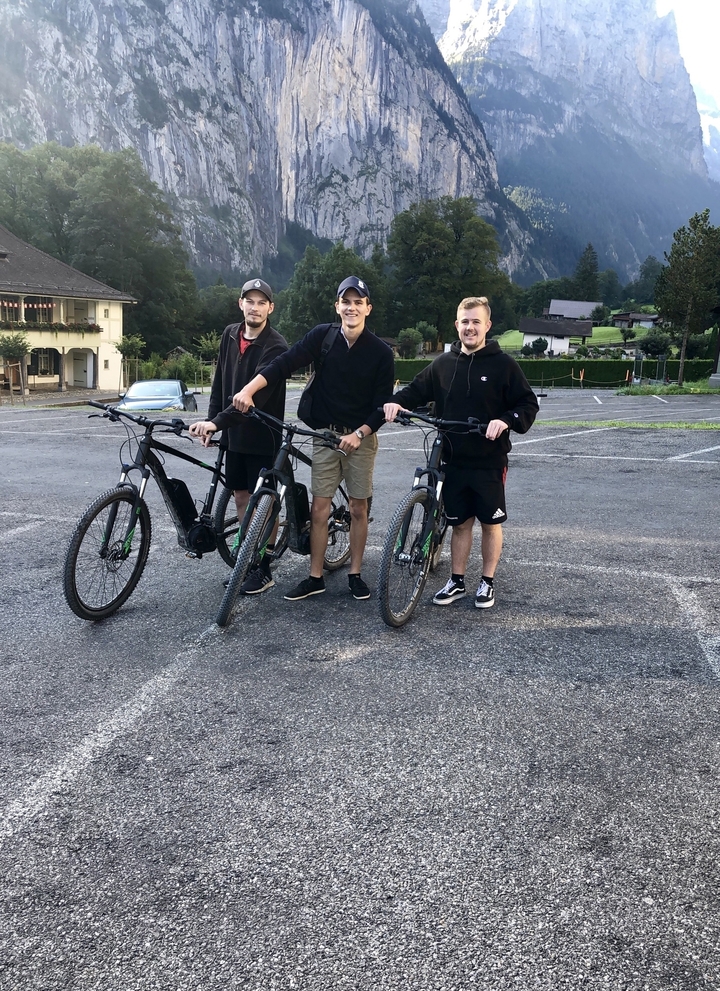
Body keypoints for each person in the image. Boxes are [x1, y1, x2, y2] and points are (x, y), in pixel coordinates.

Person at [233, 276, 394, 602]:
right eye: (345, 302)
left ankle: (355, 573)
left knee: (358, 507)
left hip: (360, 437)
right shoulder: (323, 336)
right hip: (324, 435)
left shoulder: (381, 353)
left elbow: (382, 406)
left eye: (357, 302)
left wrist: (360, 433)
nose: (351, 307)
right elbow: (284, 362)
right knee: (319, 509)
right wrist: (249, 389)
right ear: (337, 306)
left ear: (368, 308)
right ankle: (315, 576)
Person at [383, 295, 538, 609]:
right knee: (460, 524)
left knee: (490, 523)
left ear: (487, 325)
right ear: (457, 325)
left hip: (489, 460)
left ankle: (487, 581)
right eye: (465, 322)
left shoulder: (503, 365)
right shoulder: (443, 363)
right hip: (452, 458)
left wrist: (505, 420)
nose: (470, 327)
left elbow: (528, 404)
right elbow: (416, 390)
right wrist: (397, 402)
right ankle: (456, 581)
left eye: (476, 322)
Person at [189, 278, 288, 594]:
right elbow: (220, 384)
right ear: (240, 303)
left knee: (266, 503)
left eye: (262, 302)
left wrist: (217, 424)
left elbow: (252, 400)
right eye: (250, 301)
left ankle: (265, 567)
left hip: (263, 435)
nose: (255, 307)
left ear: (270, 308)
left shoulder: (276, 345)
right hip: (234, 435)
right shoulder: (230, 334)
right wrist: (211, 421)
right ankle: (248, 561)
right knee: (241, 497)